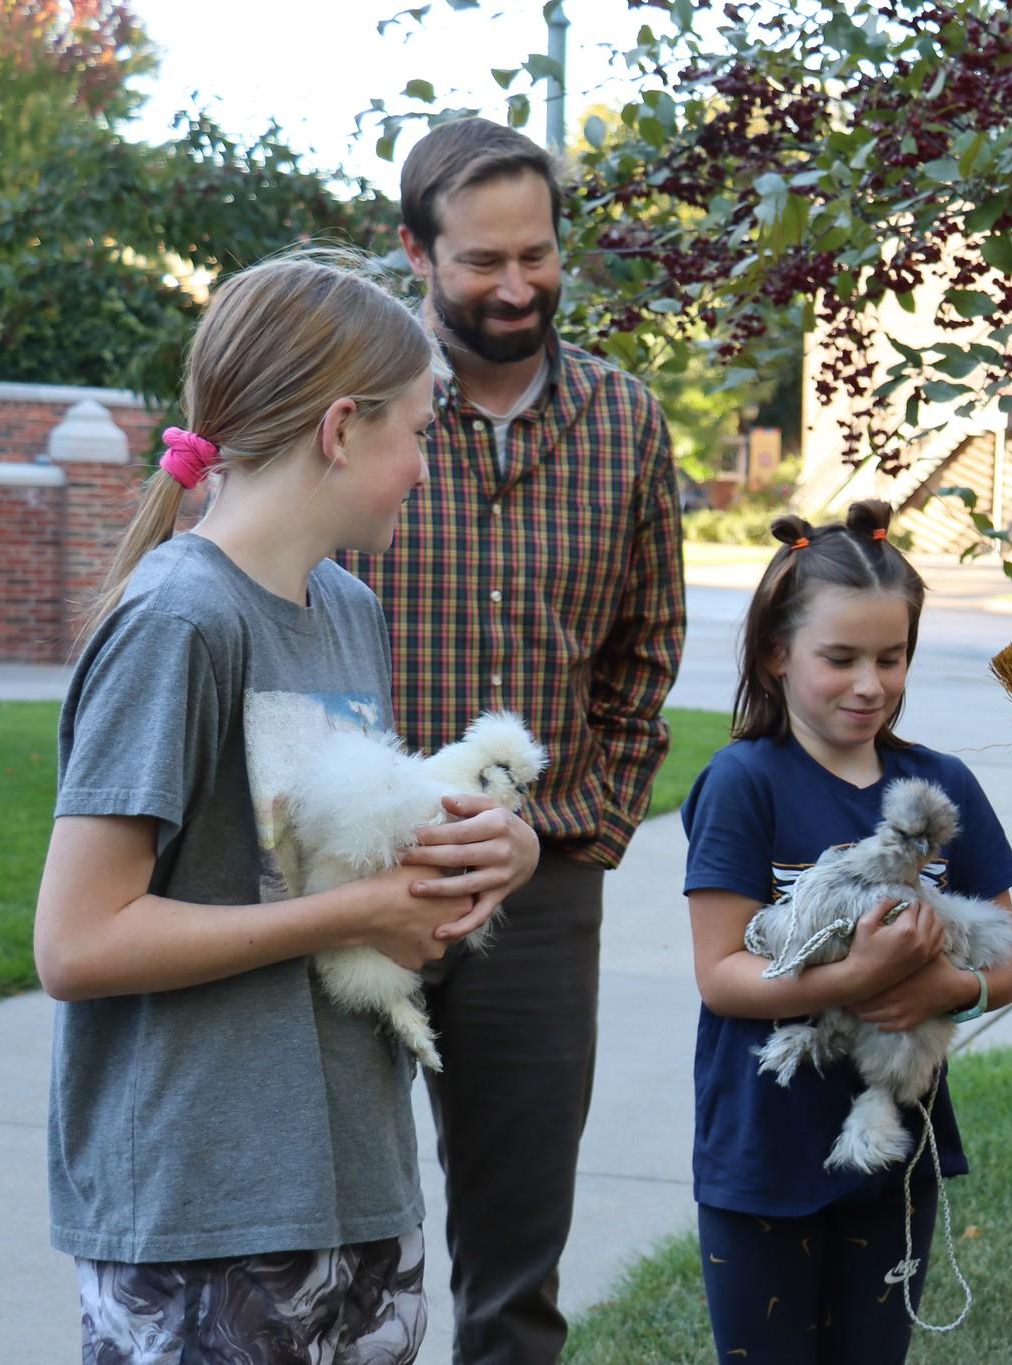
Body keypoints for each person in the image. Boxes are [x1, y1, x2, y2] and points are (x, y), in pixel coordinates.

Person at [33, 249, 538, 1360]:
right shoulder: (180, 622)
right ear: (341, 427)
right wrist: (351, 918)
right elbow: (76, 942)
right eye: (415, 431)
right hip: (201, 1206)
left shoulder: (348, 611)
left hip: (351, 1182)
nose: (423, 466)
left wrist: (493, 851)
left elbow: (326, 861)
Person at [338, 117, 685, 1363]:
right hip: (346, 880)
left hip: (534, 894)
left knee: (515, 1255)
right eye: (481, 261)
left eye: (535, 255)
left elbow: (648, 654)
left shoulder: (626, 421)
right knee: (327, 1240)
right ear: (415, 253)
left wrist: (575, 835)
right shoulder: (353, 413)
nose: (516, 285)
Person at [679, 500, 1012, 1361]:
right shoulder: (742, 783)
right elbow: (721, 972)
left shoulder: (939, 789)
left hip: (895, 1153)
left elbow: (1010, 961)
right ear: (775, 652)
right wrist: (857, 978)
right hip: (761, 1150)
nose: (870, 683)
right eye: (840, 658)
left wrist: (949, 988)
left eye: (891, 656)